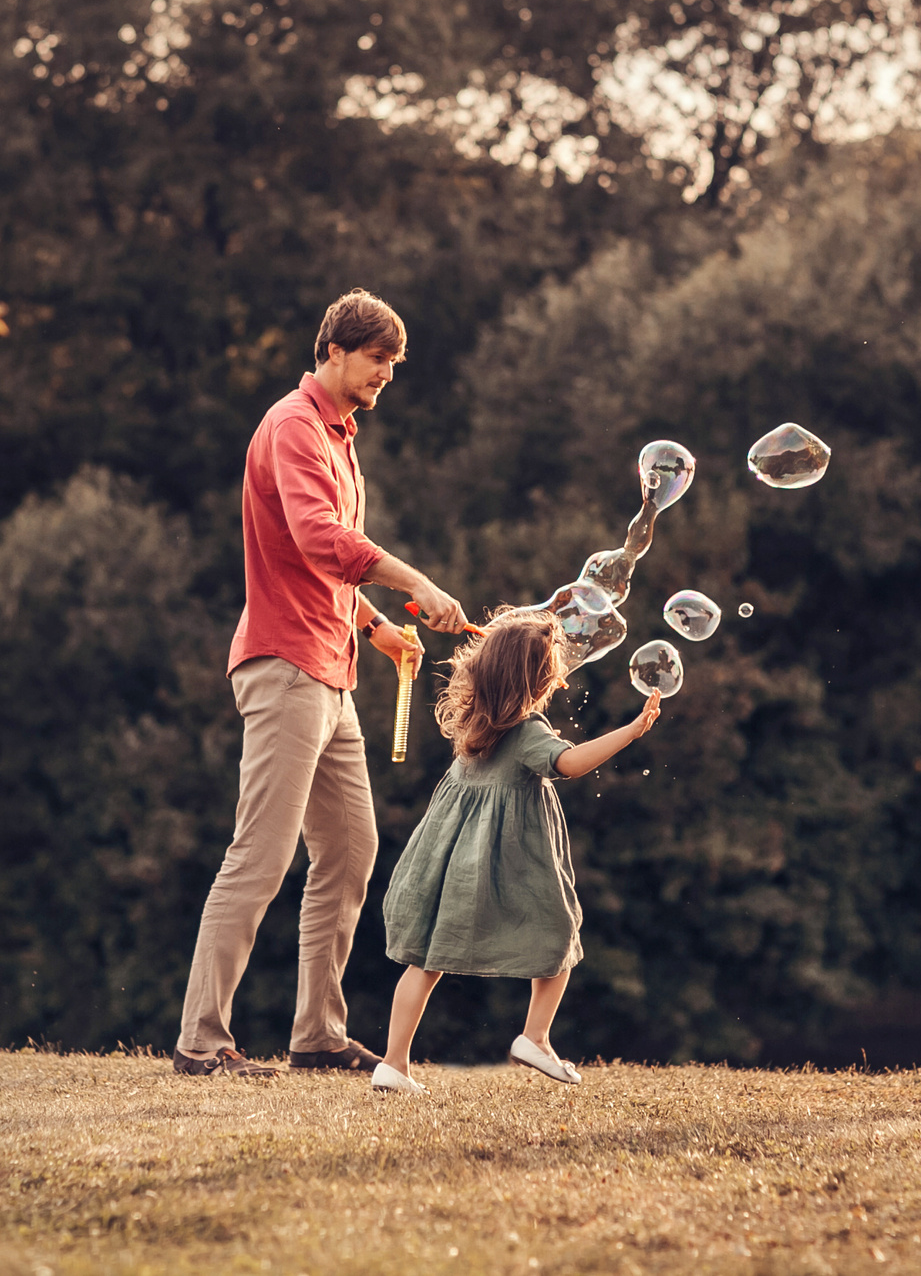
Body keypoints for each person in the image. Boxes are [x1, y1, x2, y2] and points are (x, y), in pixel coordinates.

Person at [174, 289, 471, 1078]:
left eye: (394, 364)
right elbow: (321, 538)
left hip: (330, 667)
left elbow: (324, 570)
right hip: (284, 665)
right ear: (335, 350)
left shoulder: (342, 436)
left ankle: (318, 1034)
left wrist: (378, 631)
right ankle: (201, 1041)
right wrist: (420, 588)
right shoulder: (293, 426)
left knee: (350, 848)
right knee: (262, 854)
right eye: (378, 359)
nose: (386, 375)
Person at [372, 609, 663, 1095]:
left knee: (424, 959)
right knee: (559, 935)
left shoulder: (474, 721)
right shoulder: (527, 732)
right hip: (506, 864)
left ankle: (393, 1064)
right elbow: (569, 764)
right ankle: (535, 1036)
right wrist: (631, 730)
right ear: (535, 681)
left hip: (450, 864)